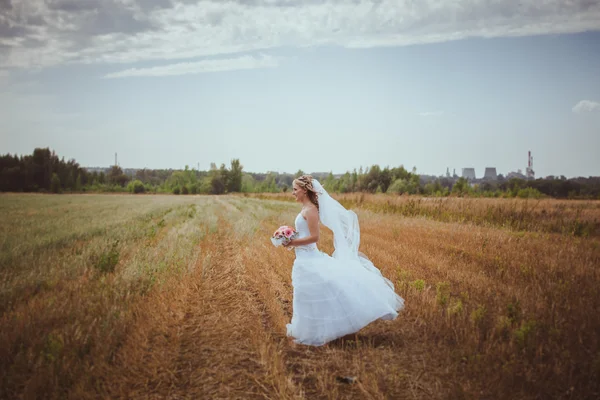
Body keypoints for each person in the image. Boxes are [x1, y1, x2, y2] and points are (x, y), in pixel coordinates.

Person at [282, 175, 404, 346]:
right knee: (304, 296)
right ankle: (309, 330)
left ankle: (327, 329)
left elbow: (314, 237)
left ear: (304, 190)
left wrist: (293, 242)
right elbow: (305, 234)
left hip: (309, 259)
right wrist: (289, 238)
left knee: (316, 292)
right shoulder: (306, 208)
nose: (293, 192)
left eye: (295, 189)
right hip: (303, 258)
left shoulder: (310, 210)